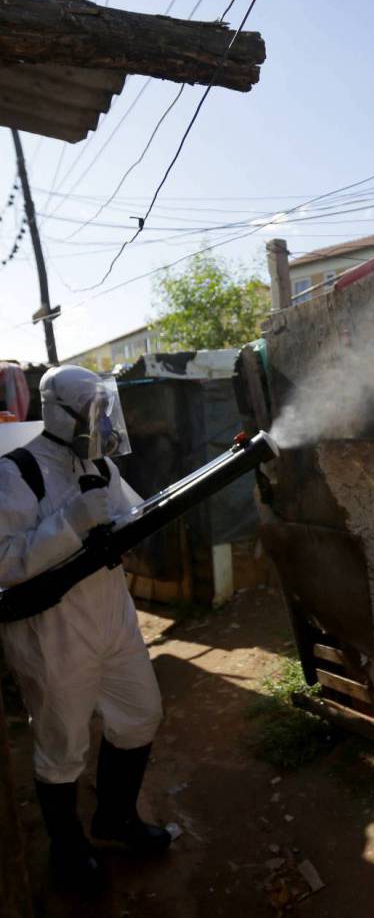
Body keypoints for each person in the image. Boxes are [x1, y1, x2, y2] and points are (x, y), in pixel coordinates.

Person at [0, 364, 170, 887]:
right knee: (61, 746)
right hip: (52, 633)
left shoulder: (100, 464)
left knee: (141, 715)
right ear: (58, 412)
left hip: (112, 617)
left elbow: (131, 515)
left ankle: (116, 819)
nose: (102, 422)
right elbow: (4, 563)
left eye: (104, 409)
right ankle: (68, 849)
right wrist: (70, 522)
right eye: (91, 411)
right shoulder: (15, 473)